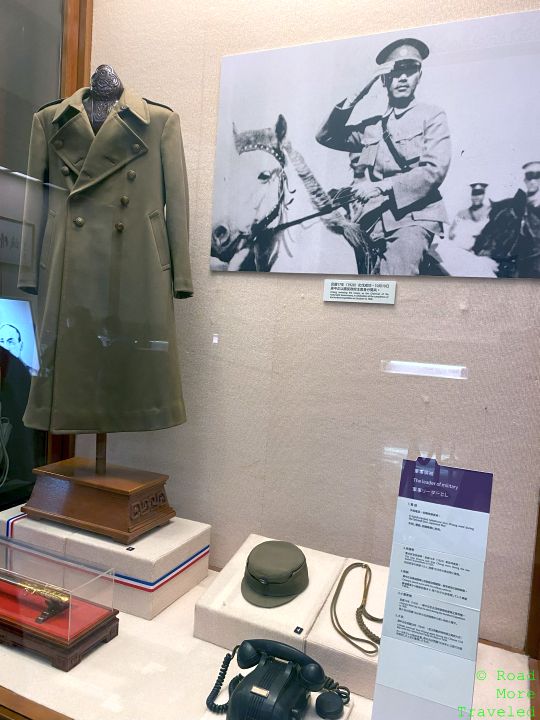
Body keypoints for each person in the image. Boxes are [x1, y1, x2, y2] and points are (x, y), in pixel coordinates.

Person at [316, 37, 451, 275]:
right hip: (372, 220)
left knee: (395, 275)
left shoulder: (432, 116)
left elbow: (434, 169)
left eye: (410, 70)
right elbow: (326, 136)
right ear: (384, 79)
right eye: (394, 72)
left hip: (414, 219)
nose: (402, 78)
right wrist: (359, 92)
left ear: (419, 75)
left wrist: (382, 187)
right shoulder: (372, 127)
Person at [473, 162, 540, 277]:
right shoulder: (513, 204)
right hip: (513, 263)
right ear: (525, 179)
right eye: (529, 175)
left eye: (537, 175)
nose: (533, 180)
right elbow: (494, 231)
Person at [449, 183, 490, 250]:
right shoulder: (461, 214)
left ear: (484, 195)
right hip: (459, 249)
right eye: (474, 193)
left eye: (480, 193)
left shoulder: (489, 212)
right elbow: (451, 232)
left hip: (479, 252)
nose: (476, 197)